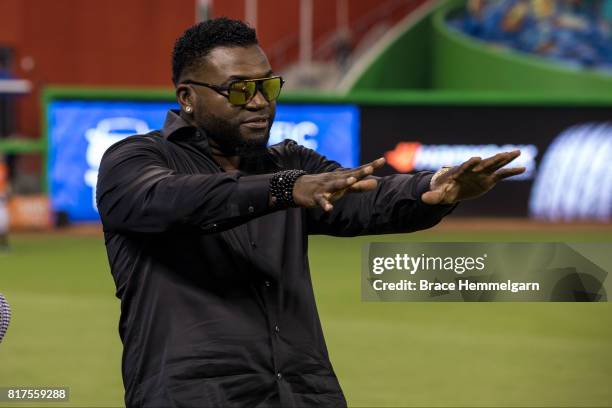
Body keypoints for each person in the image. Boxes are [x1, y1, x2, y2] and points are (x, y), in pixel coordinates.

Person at [96, 17, 525, 408]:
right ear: (188, 98)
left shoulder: (289, 162)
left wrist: (433, 188)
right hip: (195, 394)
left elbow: (361, 196)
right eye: (240, 89)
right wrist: (284, 189)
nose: (260, 102)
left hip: (302, 391)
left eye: (268, 85)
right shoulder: (133, 160)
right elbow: (173, 199)